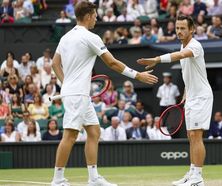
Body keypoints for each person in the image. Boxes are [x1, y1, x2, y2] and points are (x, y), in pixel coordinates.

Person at [50, 1, 157, 186]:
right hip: (77, 95)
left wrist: (66, 83)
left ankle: (93, 178)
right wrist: (137, 75)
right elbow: (112, 63)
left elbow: (54, 64)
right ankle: (57, 180)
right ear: (89, 15)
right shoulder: (91, 37)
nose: (97, 18)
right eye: (95, 15)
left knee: (94, 132)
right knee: (70, 135)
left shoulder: (65, 37)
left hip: (75, 92)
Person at [137, 15, 213, 186]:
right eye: (177, 28)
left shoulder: (195, 46)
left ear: (192, 29)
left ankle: (198, 178)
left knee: (196, 135)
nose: (179, 31)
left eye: (183, 28)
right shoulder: (182, 44)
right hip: (192, 96)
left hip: (202, 97)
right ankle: (192, 172)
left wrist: (156, 59)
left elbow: (179, 55)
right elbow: (190, 76)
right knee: (190, 135)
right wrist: (186, 94)